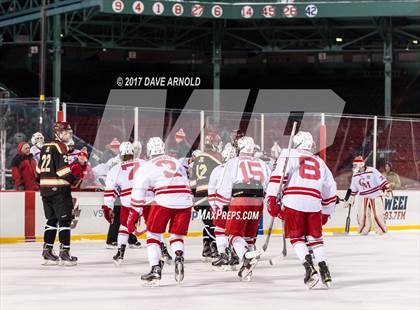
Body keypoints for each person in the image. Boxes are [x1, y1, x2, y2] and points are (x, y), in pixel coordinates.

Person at [265, 131, 337, 289]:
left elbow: (278, 177)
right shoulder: (319, 161)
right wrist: (327, 211)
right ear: (310, 145)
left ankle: (309, 269)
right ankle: (325, 270)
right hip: (314, 204)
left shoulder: (288, 154)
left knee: (297, 238)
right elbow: (331, 189)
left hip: (294, 202)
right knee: (315, 239)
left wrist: (271, 198)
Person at [128, 137, 193, 285]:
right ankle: (178, 256)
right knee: (176, 235)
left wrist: (133, 214)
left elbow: (138, 193)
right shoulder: (176, 162)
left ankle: (155, 269)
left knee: (153, 235)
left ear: (149, 150)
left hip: (164, 200)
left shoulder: (147, 166)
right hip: (185, 200)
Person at [213, 136, 270, 280]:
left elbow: (225, 186)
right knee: (249, 237)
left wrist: (220, 205)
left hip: (240, 199)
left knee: (232, 234)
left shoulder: (233, 162)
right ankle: (248, 271)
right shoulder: (263, 164)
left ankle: (245, 256)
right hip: (258, 201)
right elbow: (270, 187)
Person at [36, 122, 79, 265]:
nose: (68, 135)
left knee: (51, 220)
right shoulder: (61, 147)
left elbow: (37, 171)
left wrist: (44, 184)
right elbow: (63, 171)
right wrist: (76, 181)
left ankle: (47, 250)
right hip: (59, 190)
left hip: (45, 189)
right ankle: (65, 252)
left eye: (69, 132)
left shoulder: (45, 146)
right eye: (65, 132)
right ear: (58, 134)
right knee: (65, 221)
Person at [101, 142, 145, 264]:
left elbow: (111, 190)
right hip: (144, 201)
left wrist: (107, 206)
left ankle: (120, 253)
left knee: (124, 225)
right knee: (154, 228)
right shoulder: (142, 163)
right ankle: (163, 251)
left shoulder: (116, 167)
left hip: (127, 202)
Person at [190, 133, 223, 262]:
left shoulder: (198, 158)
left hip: (199, 196)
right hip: (210, 195)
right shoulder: (217, 156)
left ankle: (206, 249)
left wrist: (194, 197)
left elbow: (192, 182)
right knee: (214, 224)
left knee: (208, 223)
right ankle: (214, 248)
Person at [344, 156, 392, 235]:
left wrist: (387, 189)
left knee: (377, 214)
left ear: (361, 164)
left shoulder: (372, 170)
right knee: (361, 214)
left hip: (375, 194)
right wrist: (350, 197)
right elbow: (353, 187)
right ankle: (364, 229)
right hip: (363, 196)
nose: (354, 167)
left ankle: (381, 230)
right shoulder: (355, 175)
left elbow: (382, 180)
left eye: (355, 165)